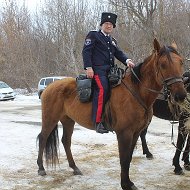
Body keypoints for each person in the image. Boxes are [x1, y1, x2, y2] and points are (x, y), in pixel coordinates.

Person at [82, 12, 135, 134]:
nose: (109, 26)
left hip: (111, 72)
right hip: (97, 71)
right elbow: (86, 52)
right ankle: (98, 121)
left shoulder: (112, 40)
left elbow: (118, 53)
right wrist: (88, 67)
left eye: (111, 24)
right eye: (106, 23)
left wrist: (127, 60)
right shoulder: (93, 35)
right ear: (101, 25)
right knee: (103, 89)